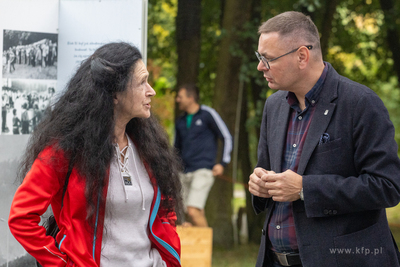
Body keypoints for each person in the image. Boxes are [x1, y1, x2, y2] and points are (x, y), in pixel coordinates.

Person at [9, 42, 182, 267]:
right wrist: (63, 264)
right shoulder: (65, 151)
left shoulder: (150, 148)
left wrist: (166, 259)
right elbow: (21, 218)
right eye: (141, 82)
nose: (152, 90)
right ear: (114, 95)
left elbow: (166, 211)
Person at [249, 11, 400, 267]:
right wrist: (260, 185)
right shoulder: (274, 106)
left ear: (302, 56)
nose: (260, 66)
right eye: (259, 57)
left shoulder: (360, 103)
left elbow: (387, 186)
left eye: (268, 59)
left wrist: (305, 189)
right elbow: (268, 173)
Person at [174, 84, 232, 227]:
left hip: (203, 169)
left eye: (180, 97)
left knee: (192, 210)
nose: (177, 100)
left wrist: (222, 163)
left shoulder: (207, 114)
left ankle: (206, 250)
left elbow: (226, 137)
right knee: (184, 214)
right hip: (184, 172)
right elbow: (175, 149)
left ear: (191, 98)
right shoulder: (180, 121)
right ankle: (200, 248)